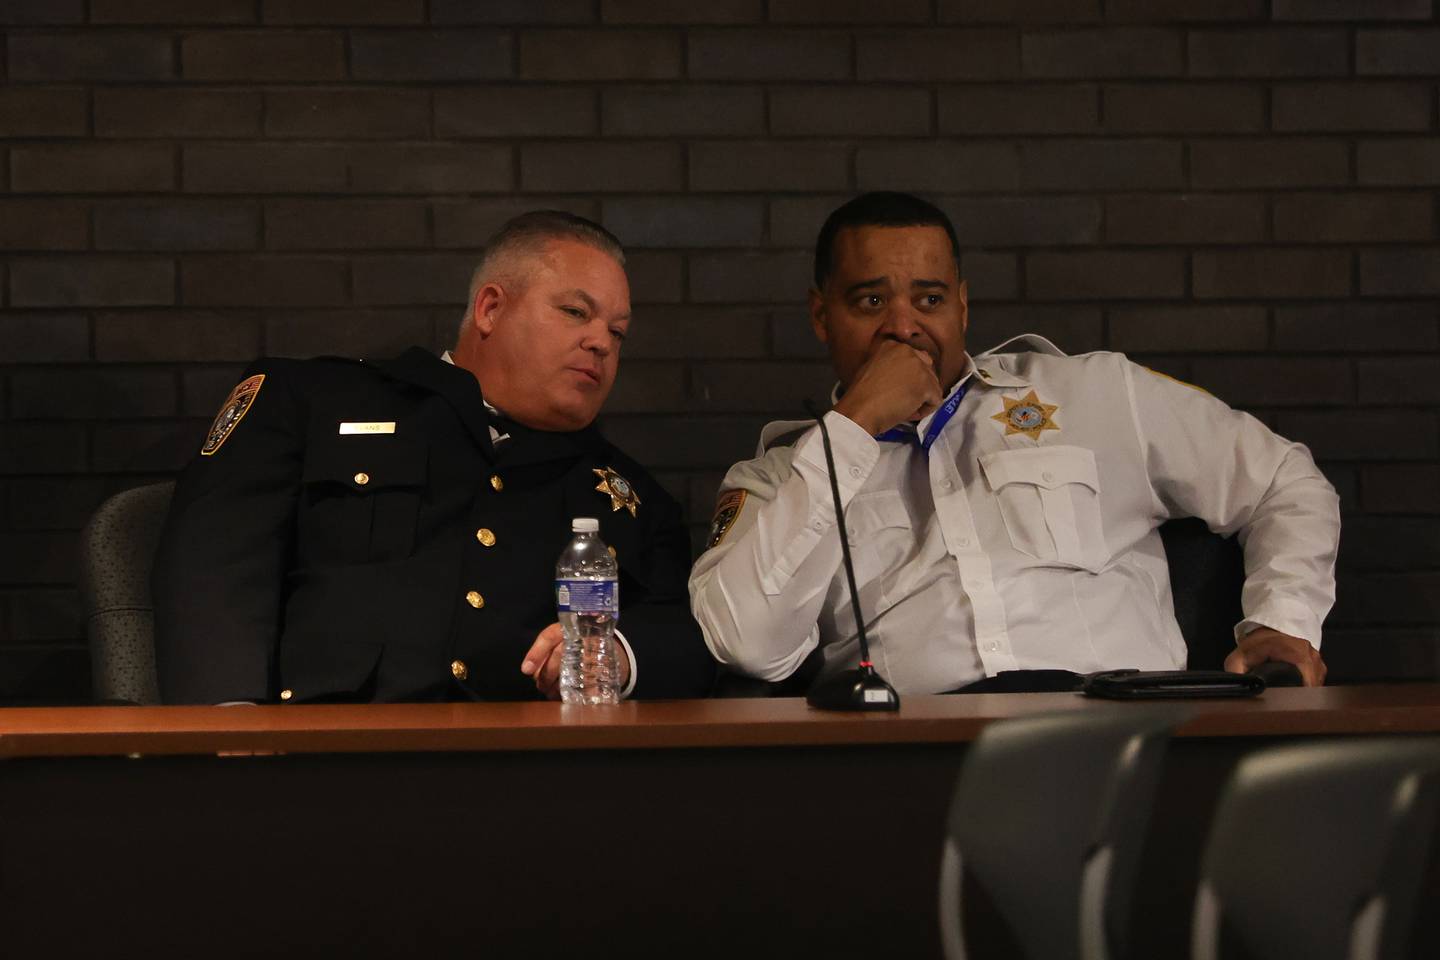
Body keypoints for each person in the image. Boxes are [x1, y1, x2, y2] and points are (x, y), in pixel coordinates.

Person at [689, 192, 1338, 693]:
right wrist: (853, 427)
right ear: (820, 314)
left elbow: (1284, 480)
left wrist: (1281, 623)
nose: (903, 327)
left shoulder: (1098, 392)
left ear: (963, 308)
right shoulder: (776, 478)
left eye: (930, 298)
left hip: (1123, 733)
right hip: (916, 759)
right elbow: (747, 643)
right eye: (869, 301)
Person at [154, 211, 714, 704]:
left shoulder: (627, 495)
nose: (601, 342)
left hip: (532, 776)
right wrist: (228, 727)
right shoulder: (313, 402)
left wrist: (618, 653)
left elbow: (687, 636)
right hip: (326, 764)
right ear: (491, 308)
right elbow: (213, 564)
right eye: (575, 312)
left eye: (618, 333)